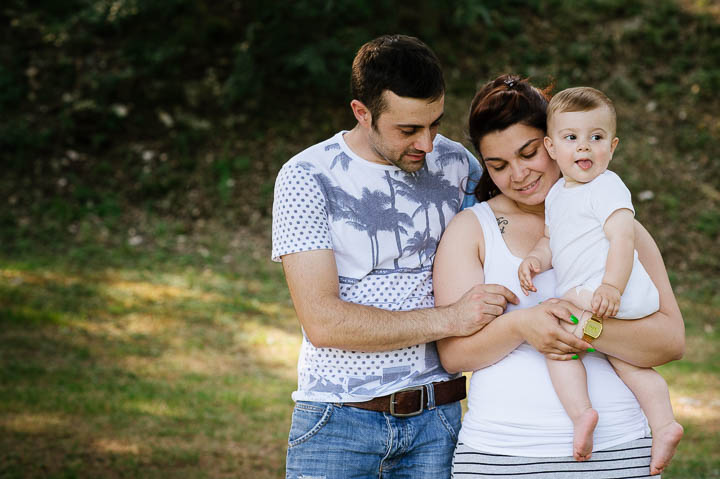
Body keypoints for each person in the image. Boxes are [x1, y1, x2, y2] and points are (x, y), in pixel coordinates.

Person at [271, 35, 516, 478]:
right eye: (407, 130)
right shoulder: (306, 177)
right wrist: (450, 319)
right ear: (362, 113)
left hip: (439, 422)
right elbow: (324, 321)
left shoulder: (458, 164)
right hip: (338, 422)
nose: (427, 143)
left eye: (435, 123)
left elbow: (518, 217)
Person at [433, 75, 685, 478]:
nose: (518, 174)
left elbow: (671, 342)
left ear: (553, 142)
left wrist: (586, 329)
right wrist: (522, 326)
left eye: (528, 153)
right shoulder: (472, 228)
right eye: (498, 165)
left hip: (618, 450)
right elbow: (454, 355)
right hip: (503, 454)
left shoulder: (614, 221)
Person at [517, 86, 683, 470]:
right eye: (571, 138)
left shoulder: (607, 186)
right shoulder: (558, 193)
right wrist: (535, 259)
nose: (584, 148)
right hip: (599, 296)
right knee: (630, 365)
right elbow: (550, 239)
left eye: (596, 138)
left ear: (613, 146)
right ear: (551, 147)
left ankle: (581, 414)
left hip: (605, 293)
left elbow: (623, 238)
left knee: (556, 338)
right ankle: (664, 424)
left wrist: (611, 286)